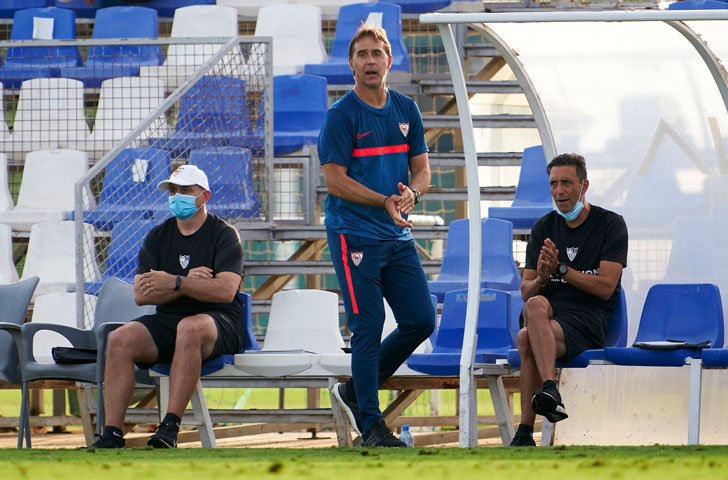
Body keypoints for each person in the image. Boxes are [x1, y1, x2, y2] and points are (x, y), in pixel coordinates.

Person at [319, 24, 436, 448]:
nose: (370, 60)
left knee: (421, 319)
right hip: (353, 234)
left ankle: (355, 391)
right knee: (367, 325)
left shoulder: (407, 109)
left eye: (377, 53)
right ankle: (371, 425)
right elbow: (334, 181)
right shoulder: (341, 115)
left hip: (395, 233)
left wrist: (413, 194)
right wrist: (384, 199)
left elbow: (422, 170)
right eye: (362, 54)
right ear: (351, 64)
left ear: (390, 60)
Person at [90, 164, 245, 449]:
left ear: (205, 196)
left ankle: (169, 427)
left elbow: (224, 291)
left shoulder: (224, 234)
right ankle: (111, 433)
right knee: (120, 338)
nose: (177, 196)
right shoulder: (157, 236)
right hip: (168, 320)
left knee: (189, 327)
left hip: (220, 320)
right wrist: (186, 281)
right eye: (173, 190)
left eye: (186, 190)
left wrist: (173, 282)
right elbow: (141, 294)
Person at [510, 153, 628, 447]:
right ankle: (550, 388)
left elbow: (605, 287)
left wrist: (563, 268)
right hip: (547, 314)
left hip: (588, 317)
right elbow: (526, 291)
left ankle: (524, 432)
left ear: (584, 185)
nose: (559, 191)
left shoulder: (611, 224)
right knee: (534, 304)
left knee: (526, 338)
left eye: (566, 183)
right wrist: (543, 277)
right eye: (553, 184)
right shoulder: (543, 228)